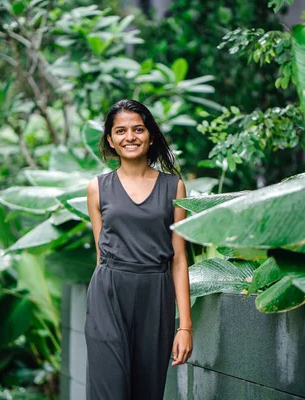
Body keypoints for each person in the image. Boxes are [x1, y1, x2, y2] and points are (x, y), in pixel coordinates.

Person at [84, 99, 193, 400]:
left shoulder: (174, 187)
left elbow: (179, 259)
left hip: (155, 296)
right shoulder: (97, 187)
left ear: (151, 135)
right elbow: (100, 253)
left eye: (138, 129)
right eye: (120, 131)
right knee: (111, 390)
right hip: (109, 295)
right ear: (110, 139)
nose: (129, 137)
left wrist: (184, 326)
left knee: (147, 392)